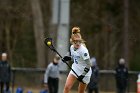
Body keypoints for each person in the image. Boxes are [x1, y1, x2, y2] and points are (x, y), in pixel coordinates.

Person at [63, 26, 92, 93]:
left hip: (85, 72)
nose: (78, 43)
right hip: (75, 68)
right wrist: (68, 58)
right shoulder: (71, 47)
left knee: (80, 92)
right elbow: (75, 58)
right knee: (67, 87)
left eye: (79, 41)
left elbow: (89, 64)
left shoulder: (83, 50)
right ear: (72, 41)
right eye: (76, 41)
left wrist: (82, 75)